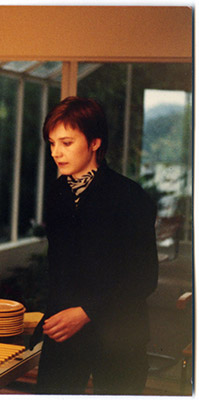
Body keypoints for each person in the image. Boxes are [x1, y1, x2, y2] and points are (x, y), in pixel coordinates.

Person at [35, 96, 159, 395]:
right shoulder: (57, 193)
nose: (56, 153)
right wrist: (49, 319)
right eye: (52, 143)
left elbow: (144, 278)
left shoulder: (129, 196)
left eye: (66, 142)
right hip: (65, 334)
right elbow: (60, 268)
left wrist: (86, 312)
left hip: (120, 337)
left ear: (94, 143)